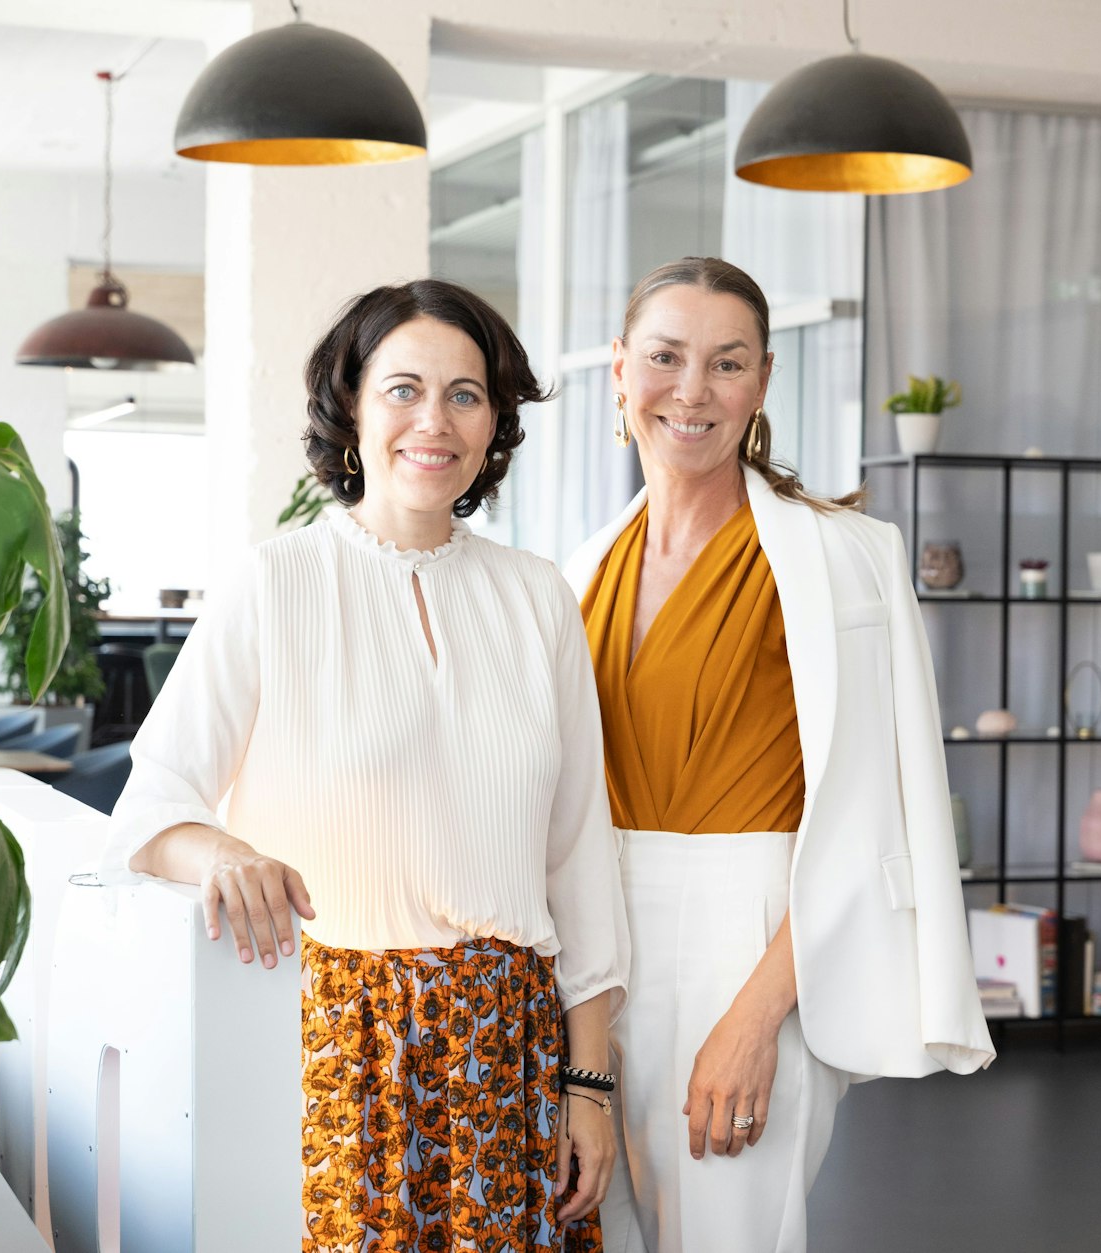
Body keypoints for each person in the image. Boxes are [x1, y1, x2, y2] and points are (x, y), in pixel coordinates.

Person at [104, 278, 630, 1252]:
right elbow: (151, 807)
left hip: (505, 1046)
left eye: (464, 394)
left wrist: (589, 1085)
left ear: (492, 424)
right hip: (335, 1048)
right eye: (402, 389)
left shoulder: (538, 596)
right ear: (350, 406)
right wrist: (223, 854)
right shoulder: (274, 582)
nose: (433, 420)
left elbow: (578, 860)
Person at [563, 257, 994, 1253]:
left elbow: (870, 813)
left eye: (725, 363)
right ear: (618, 372)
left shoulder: (842, 558)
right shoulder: (579, 567)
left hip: (752, 935)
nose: (692, 390)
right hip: (596, 951)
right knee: (598, 1231)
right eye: (665, 358)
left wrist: (754, 1018)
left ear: (761, 381)